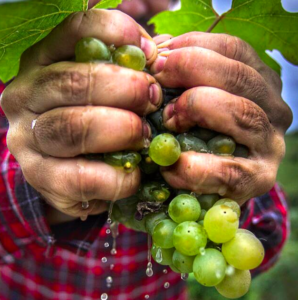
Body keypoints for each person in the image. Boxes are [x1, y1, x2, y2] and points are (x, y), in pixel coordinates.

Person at [0, 0, 292, 299]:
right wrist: (37, 183)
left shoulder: (206, 94)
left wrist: (234, 180)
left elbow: (267, 237)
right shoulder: (21, 95)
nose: (133, 3)